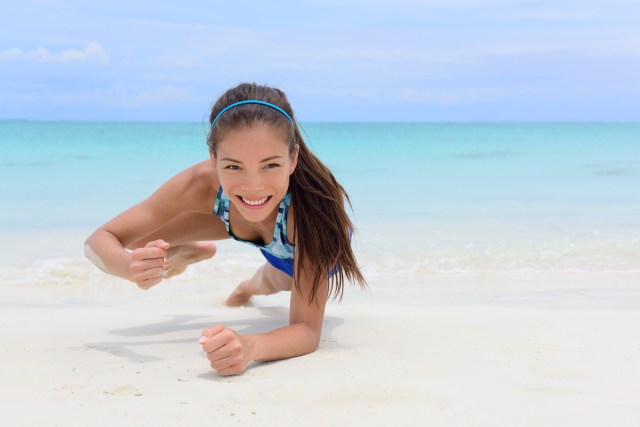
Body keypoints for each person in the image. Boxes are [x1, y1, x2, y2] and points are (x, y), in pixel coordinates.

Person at [84, 83, 366, 376]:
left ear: (293, 158)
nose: (253, 184)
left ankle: (242, 292)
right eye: (233, 167)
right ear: (214, 158)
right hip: (236, 214)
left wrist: (249, 347)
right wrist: (129, 267)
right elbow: (98, 241)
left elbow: (306, 331)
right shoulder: (199, 183)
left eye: (270, 165)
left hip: (300, 246)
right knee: (139, 239)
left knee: (271, 282)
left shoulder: (312, 218)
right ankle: (181, 253)